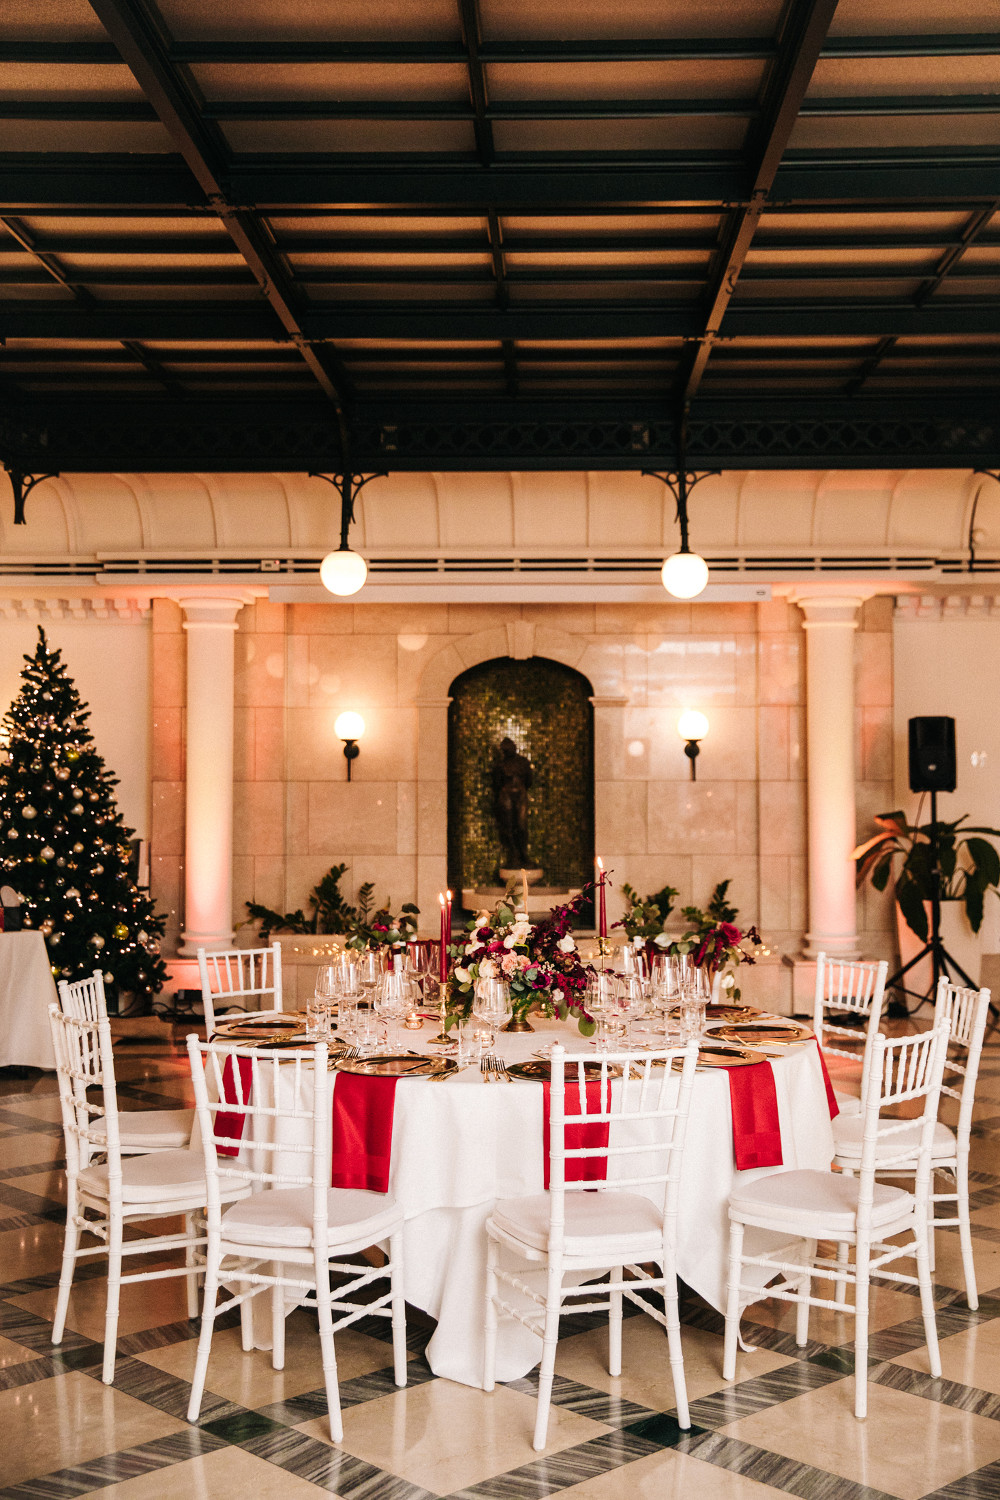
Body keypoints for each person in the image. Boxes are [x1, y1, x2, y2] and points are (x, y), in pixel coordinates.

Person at [492, 737, 533, 869]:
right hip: (506, 795)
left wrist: (519, 789)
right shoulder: (500, 765)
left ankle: (523, 854)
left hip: (520, 795)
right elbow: (497, 783)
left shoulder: (523, 763)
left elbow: (529, 781)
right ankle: (513, 854)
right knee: (508, 826)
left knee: (521, 825)